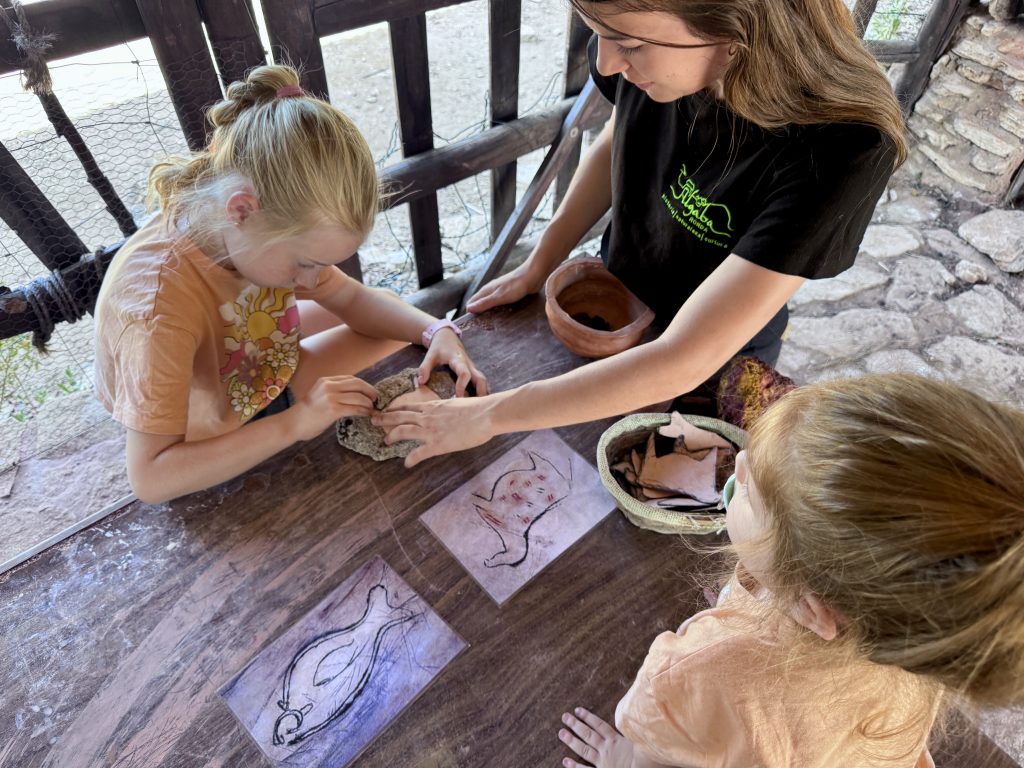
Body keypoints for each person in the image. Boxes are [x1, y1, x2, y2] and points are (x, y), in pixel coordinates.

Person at [374, 0, 906, 466]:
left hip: (710, 362)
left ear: (737, 28)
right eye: (597, 33)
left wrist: (489, 416)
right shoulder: (651, 65)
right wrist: (541, 260)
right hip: (619, 296)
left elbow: (683, 359)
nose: (604, 63)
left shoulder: (841, 148)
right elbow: (617, 138)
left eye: (628, 43)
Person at [556, 373, 1024, 767]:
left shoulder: (691, 668)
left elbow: (654, 745)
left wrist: (625, 758)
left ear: (811, 610)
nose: (737, 463)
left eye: (750, 492)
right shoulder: (931, 635)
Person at [94, 65, 488, 504]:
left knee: (394, 314)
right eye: (305, 264)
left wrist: (439, 330)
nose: (312, 279)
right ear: (242, 210)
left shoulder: (237, 228)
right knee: (388, 340)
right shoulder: (157, 314)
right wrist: (296, 423)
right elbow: (151, 480)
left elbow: (348, 297)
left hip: (245, 353)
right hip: (214, 421)